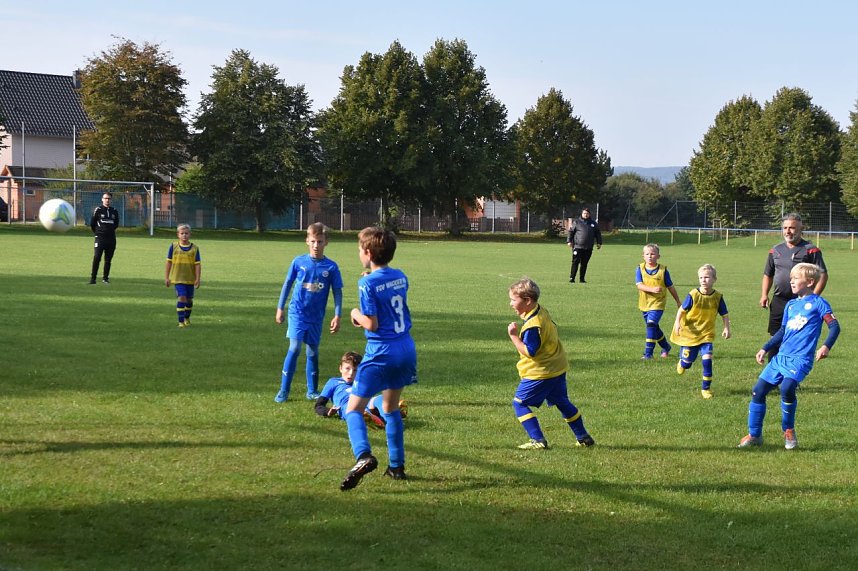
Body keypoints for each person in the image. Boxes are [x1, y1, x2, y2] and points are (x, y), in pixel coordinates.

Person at [340, 227, 417, 491]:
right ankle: (397, 466)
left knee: (352, 410)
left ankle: (364, 456)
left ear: (368, 253)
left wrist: (354, 313)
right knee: (390, 408)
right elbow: (386, 288)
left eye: (360, 250)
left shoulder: (366, 283)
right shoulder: (401, 276)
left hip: (381, 352)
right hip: (405, 348)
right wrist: (371, 277)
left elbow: (371, 324)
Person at [739, 263, 839, 450]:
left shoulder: (819, 303)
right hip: (781, 357)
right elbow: (783, 331)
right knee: (757, 391)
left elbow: (834, 327)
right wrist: (766, 347)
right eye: (790, 278)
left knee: (786, 388)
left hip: (801, 359)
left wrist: (826, 346)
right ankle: (754, 435)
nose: (791, 281)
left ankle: (789, 431)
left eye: (795, 279)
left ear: (809, 281)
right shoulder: (791, 305)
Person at [506, 277, 594, 450]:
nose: (510, 303)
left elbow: (530, 351)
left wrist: (514, 336)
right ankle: (583, 437)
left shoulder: (533, 325)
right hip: (557, 367)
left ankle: (537, 440)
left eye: (513, 300)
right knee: (561, 401)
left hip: (541, 372)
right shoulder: (541, 311)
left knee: (519, 403)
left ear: (528, 301)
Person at [275, 223, 343, 402]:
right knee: (295, 347)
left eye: (319, 242)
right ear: (307, 241)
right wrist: (280, 307)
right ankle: (284, 390)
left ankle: (312, 390)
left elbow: (337, 291)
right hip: (297, 312)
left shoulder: (331, 267)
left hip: (316, 316)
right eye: (313, 241)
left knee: (312, 352)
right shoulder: (299, 262)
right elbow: (287, 284)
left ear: (326, 242)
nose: (316, 245)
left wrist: (337, 315)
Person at [760, 213, 827, 358]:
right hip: (779, 301)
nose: (788, 231)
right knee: (775, 338)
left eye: (792, 227)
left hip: (800, 303)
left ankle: (791, 377)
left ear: (801, 228)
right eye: (785, 228)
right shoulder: (775, 250)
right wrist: (764, 294)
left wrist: (813, 297)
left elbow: (822, 275)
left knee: (795, 339)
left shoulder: (811, 249)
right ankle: (773, 376)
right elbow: (768, 274)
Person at [670, 264, 731, 399]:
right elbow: (681, 310)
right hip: (690, 333)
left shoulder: (718, 297)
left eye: (707, 277)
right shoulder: (693, 295)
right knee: (687, 363)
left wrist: (727, 328)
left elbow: (724, 314)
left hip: (706, 334)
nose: (703, 280)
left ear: (714, 279)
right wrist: (677, 323)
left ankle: (706, 389)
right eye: (701, 277)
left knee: (707, 360)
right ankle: (682, 362)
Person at [314, 351, 409, 429]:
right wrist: (327, 411)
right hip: (347, 406)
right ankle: (383, 418)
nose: (350, 373)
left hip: (364, 402)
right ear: (340, 368)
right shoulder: (333, 382)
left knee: (380, 398)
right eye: (347, 368)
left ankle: (391, 418)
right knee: (356, 410)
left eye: (355, 370)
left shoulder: (361, 382)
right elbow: (318, 405)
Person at [636, 243, 681, 359]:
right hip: (644, 303)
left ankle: (648, 354)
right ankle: (666, 347)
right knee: (654, 328)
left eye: (652, 254)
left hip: (658, 304)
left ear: (658, 256)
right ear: (643, 256)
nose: (650, 256)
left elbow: (670, 287)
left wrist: (678, 301)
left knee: (651, 325)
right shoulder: (639, 269)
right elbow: (639, 285)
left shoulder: (663, 270)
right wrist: (652, 289)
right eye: (647, 254)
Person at [164, 224, 201, 328]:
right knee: (182, 298)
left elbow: (197, 264)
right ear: (178, 235)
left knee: (189, 300)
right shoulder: (173, 246)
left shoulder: (195, 248)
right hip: (178, 278)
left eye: (186, 233)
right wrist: (167, 277)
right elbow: (168, 263)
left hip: (190, 279)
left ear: (190, 234)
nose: (184, 235)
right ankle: (181, 322)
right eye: (182, 233)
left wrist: (198, 279)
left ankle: (187, 318)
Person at [89, 192, 119, 284]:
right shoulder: (98, 210)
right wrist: (99, 232)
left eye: (109, 198)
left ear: (111, 200)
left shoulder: (114, 211)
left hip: (111, 239)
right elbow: (92, 224)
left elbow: (116, 224)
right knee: (97, 257)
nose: (107, 200)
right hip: (100, 238)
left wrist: (109, 232)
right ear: (102, 199)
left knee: (108, 259)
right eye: (105, 198)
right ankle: (93, 279)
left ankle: (105, 279)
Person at [567, 207, 602, 283]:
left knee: (584, 264)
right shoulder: (577, 222)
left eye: (587, 213)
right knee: (575, 262)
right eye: (584, 213)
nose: (586, 215)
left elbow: (598, 234)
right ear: (582, 214)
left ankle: (582, 279)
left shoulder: (593, 223)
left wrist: (599, 243)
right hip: (577, 247)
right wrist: (569, 241)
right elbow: (571, 232)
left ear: (589, 214)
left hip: (588, 247)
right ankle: (572, 278)